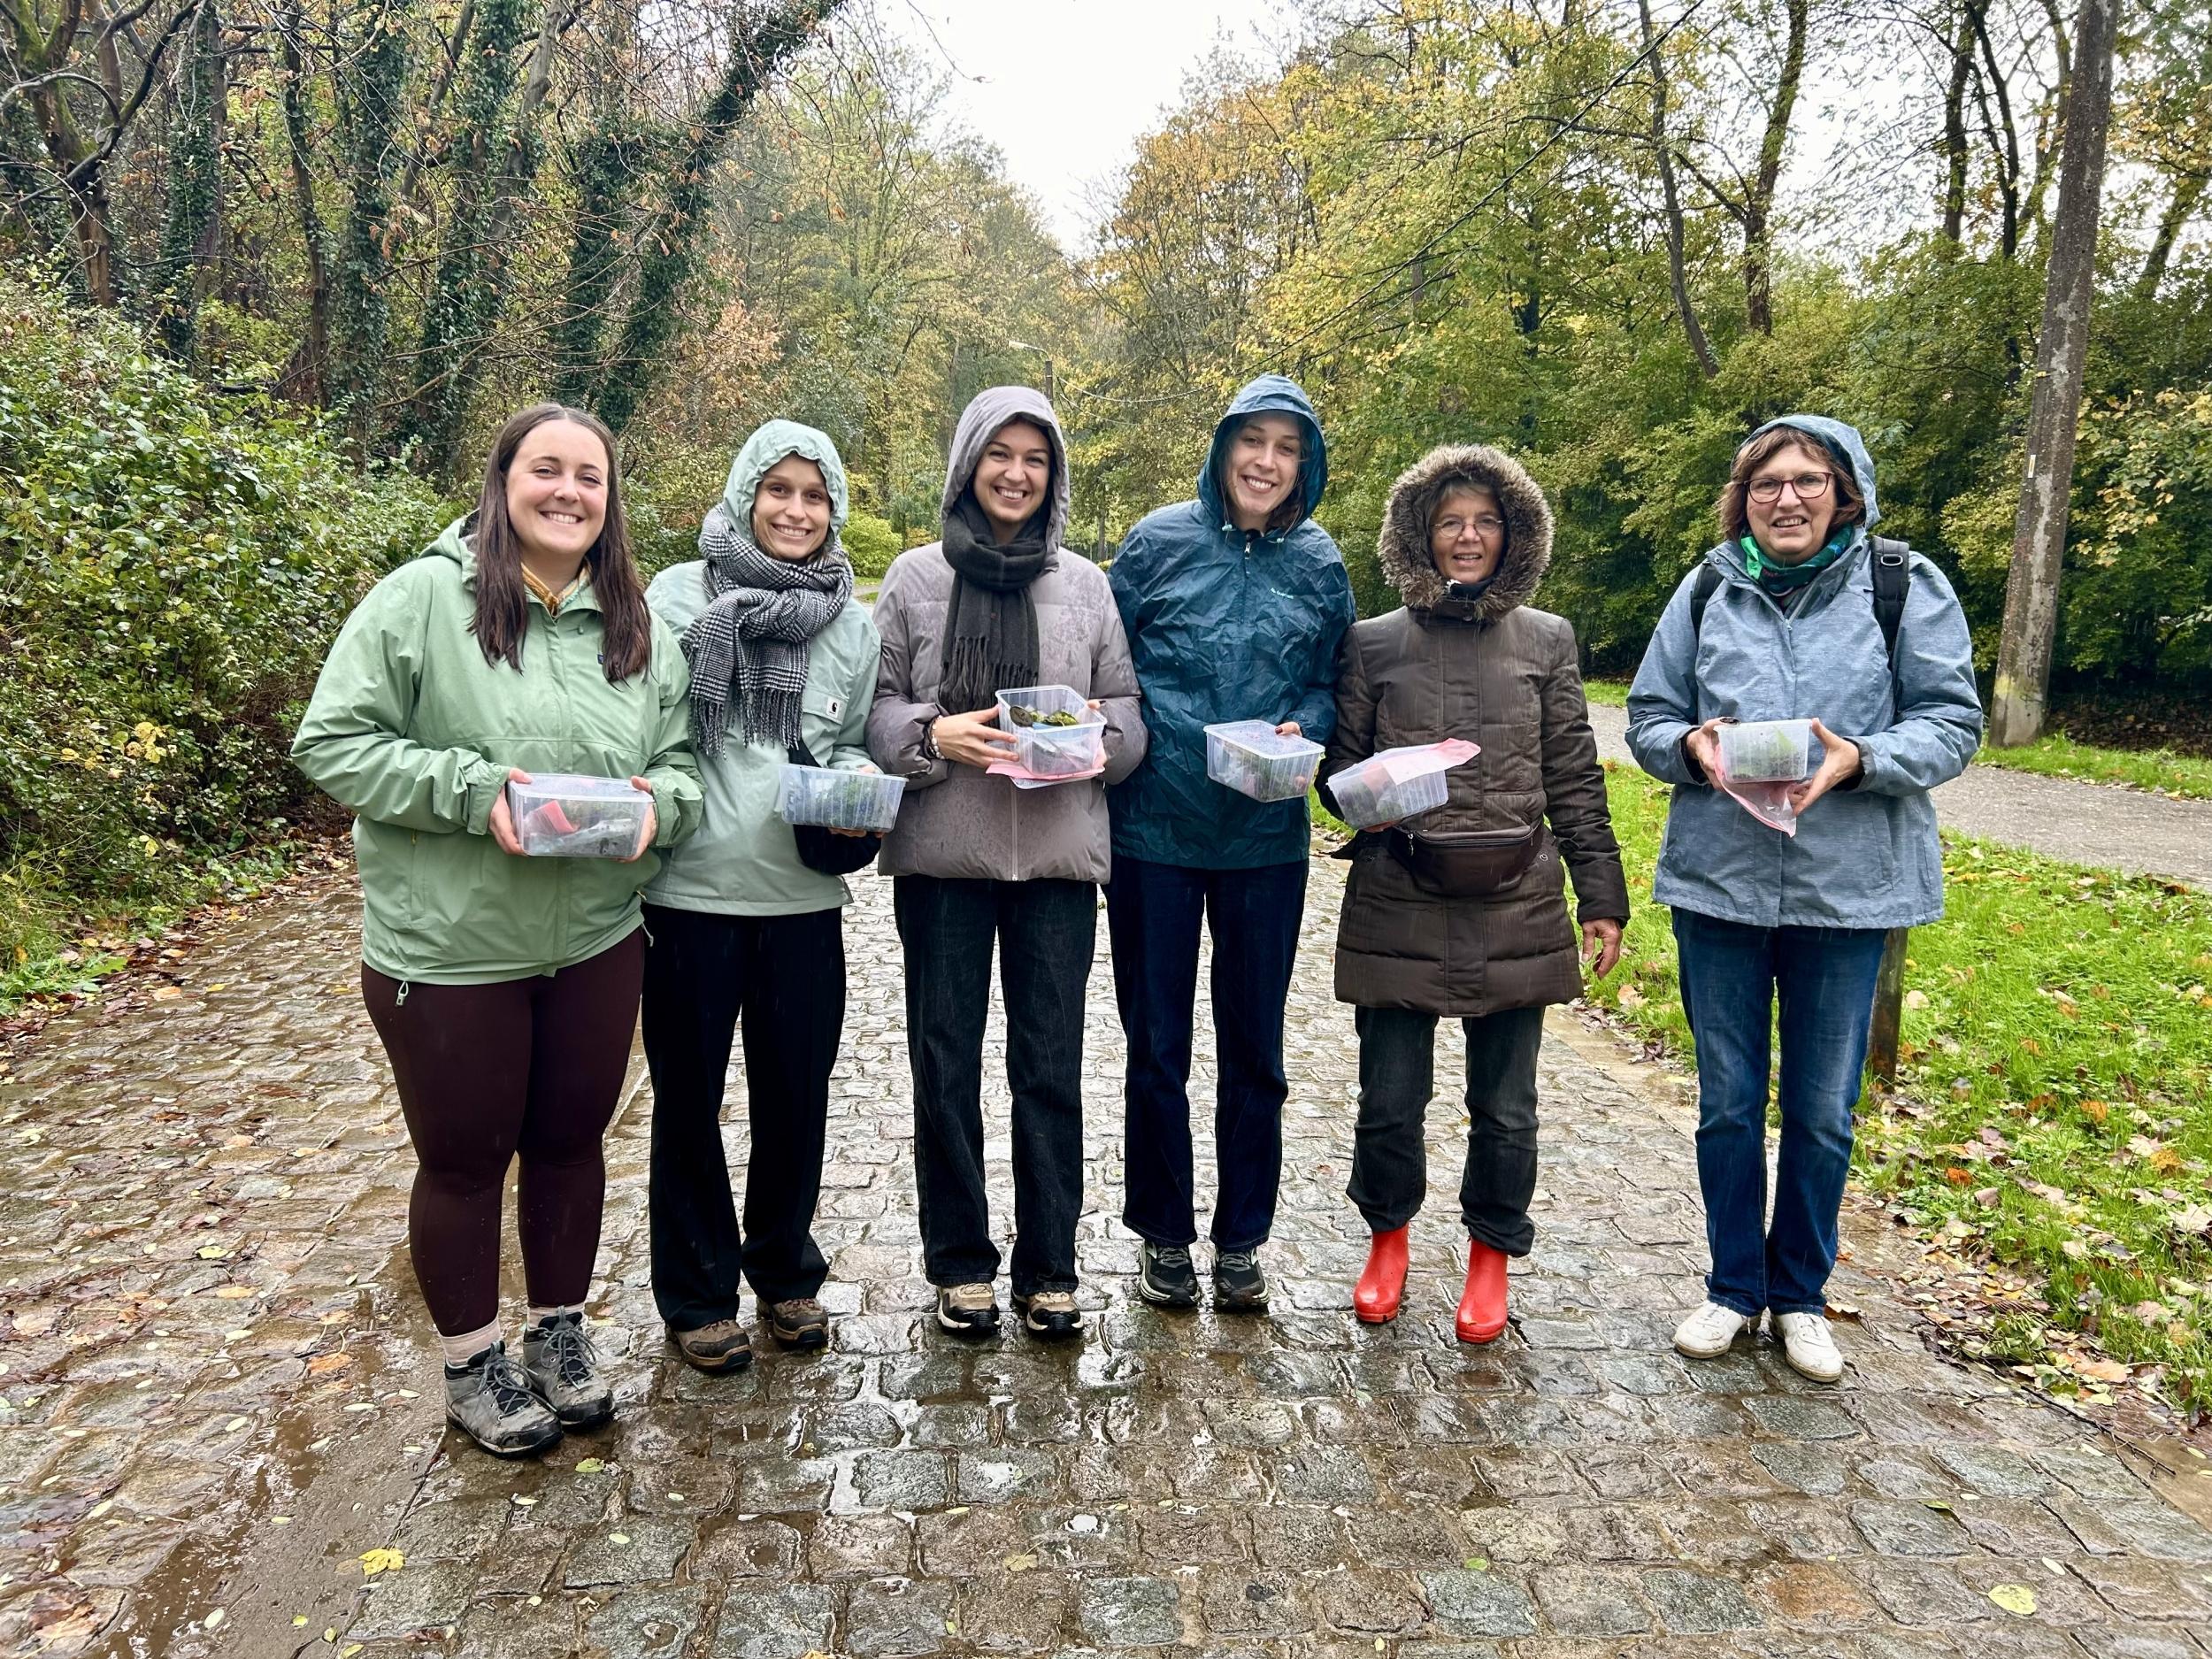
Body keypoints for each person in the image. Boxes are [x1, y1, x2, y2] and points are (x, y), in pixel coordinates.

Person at [292, 403, 701, 1456]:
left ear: (610, 502)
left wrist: (662, 804)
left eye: (590, 479)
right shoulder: (422, 600)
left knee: (571, 1147)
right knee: (466, 1162)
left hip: (597, 943)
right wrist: (476, 793)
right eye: (546, 471)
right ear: (504, 480)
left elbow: (682, 762)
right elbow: (333, 742)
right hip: (453, 950)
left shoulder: (633, 620)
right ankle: (472, 1363)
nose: (568, 493)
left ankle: (558, 1339)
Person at [1626, 415, 1980, 1383]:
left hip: (1849, 889)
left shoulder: (1902, 586)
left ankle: (1799, 1296)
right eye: (1766, 482)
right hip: (1720, 886)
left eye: (1809, 480)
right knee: (1728, 1103)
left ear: (1846, 493)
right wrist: (1690, 750)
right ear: (1742, 498)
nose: (1786, 498)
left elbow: (1953, 722)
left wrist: (1862, 760)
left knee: (1823, 1111)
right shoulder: (1707, 588)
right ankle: (1733, 1287)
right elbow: (1648, 718)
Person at [1323, 444, 1629, 1344]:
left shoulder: (1548, 640)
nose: (1466, 537)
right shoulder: (1372, 642)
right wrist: (1372, 791)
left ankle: (1491, 1254)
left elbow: (1574, 776)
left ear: (1513, 536)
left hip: (1517, 899)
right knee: (1388, 1098)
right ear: (1419, 533)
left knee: (1506, 1104)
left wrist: (1599, 896)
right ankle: (1388, 1238)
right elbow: (1339, 771)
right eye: (1449, 521)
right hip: (1397, 893)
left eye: (1485, 521)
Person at [868, 386, 1146, 1340]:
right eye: (1000, 454)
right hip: (945, 855)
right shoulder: (910, 579)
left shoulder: (1087, 583)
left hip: (1059, 861)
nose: (1016, 473)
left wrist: (1096, 743)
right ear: (968, 463)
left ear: (1052, 474)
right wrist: (930, 732)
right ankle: (960, 1263)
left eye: (1034, 458)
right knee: (943, 1062)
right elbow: (875, 710)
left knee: (1050, 1066)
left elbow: (1125, 708)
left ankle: (1050, 1266)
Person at [1105, 375, 1356, 1313]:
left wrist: (1305, 726)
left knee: (1256, 1050)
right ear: (1221, 450)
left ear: (1306, 465)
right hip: (1156, 832)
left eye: (1286, 447)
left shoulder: (1321, 563)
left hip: (1264, 839)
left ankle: (1242, 1236)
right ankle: (1163, 1235)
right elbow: (1106, 663)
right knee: (1155, 1045)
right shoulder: (1158, 541)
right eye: (1251, 440)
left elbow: (1333, 681)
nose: (1265, 460)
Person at [639, 421, 880, 1372]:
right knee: (687, 1105)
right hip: (686, 897)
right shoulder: (672, 596)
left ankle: (785, 1274)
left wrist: (857, 794)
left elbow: (853, 738)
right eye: (777, 489)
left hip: (799, 905)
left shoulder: (849, 624)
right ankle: (697, 1295)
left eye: (814, 495)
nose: (794, 509)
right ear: (745, 493)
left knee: (795, 1101)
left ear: (833, 511)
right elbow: (644, 729)